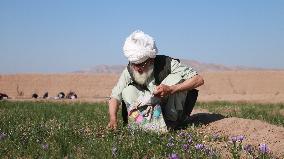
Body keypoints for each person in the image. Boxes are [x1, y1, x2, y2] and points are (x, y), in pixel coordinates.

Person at [107, 30, 204, 131]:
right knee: (128, 90)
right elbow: (115, 96)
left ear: (151, 59)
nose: (137, 69)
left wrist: (171, 89)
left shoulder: (167, 63)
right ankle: (141, 125)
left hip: (168, 111)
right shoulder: (130, 70)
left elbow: (198, 79)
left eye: (141, 65)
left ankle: (170, 124)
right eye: (134, 64)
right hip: (143, 117)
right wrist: (113, 118)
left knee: (176, 78)